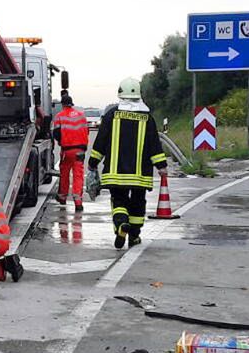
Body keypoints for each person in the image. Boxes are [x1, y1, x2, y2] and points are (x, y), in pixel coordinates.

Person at [88, 77, 168, 249]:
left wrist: (93, 162)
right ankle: (134, 236)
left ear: (120, 94)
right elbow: (154, 144)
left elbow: (100, 141)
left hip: (115, 174)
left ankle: (121, 224)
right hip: (140, 175)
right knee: (138, 202)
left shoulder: (111, 115)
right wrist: (161, 166)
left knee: (118, 200)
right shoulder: (147, 118)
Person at [52, 94, 89, 210]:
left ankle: (62, 197)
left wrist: (62, 141)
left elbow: (56, 134)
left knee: (65, 174)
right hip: (80, 150)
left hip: (67, 150)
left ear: (62, 104)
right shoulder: (81, 116)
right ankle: (78, 202)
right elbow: (86, 131)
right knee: (78, 176)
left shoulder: (59, 116)